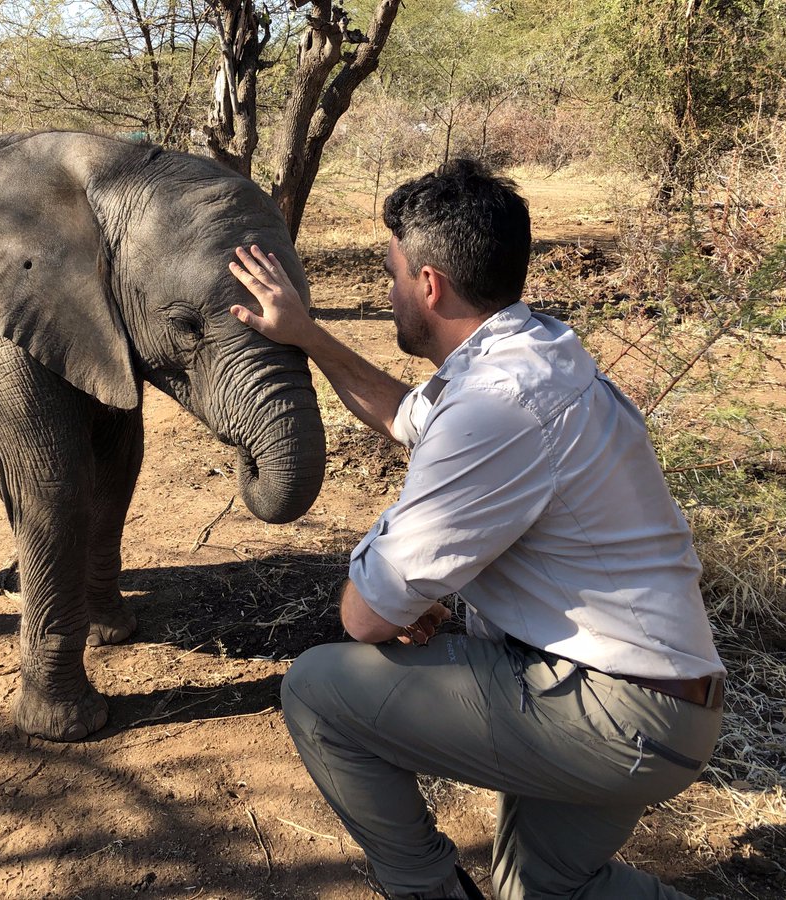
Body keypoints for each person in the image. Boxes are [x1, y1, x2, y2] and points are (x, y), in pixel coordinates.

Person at [227, 158, 725, 900]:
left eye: (393, 273)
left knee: (318, 691)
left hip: (615, 712)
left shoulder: (498, 409)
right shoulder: (526, 358)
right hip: (667, 706)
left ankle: (428, 891)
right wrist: (306, 335)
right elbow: (405, 417)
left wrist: (397, 591)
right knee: (545, 889)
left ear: (430, 286)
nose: (388, 291)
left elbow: (365, 614)